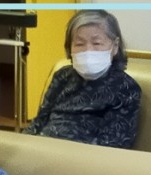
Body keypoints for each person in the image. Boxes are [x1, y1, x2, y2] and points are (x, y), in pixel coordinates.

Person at [22, 9, 142, 149]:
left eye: (96, 43)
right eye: (79, 44)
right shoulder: (62, 77)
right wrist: (21, 146)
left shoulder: (126, 88)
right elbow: (39, 122)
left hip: (84, 157)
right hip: (43, 149)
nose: (88, 50)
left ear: (115, 46)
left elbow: (113, 144)